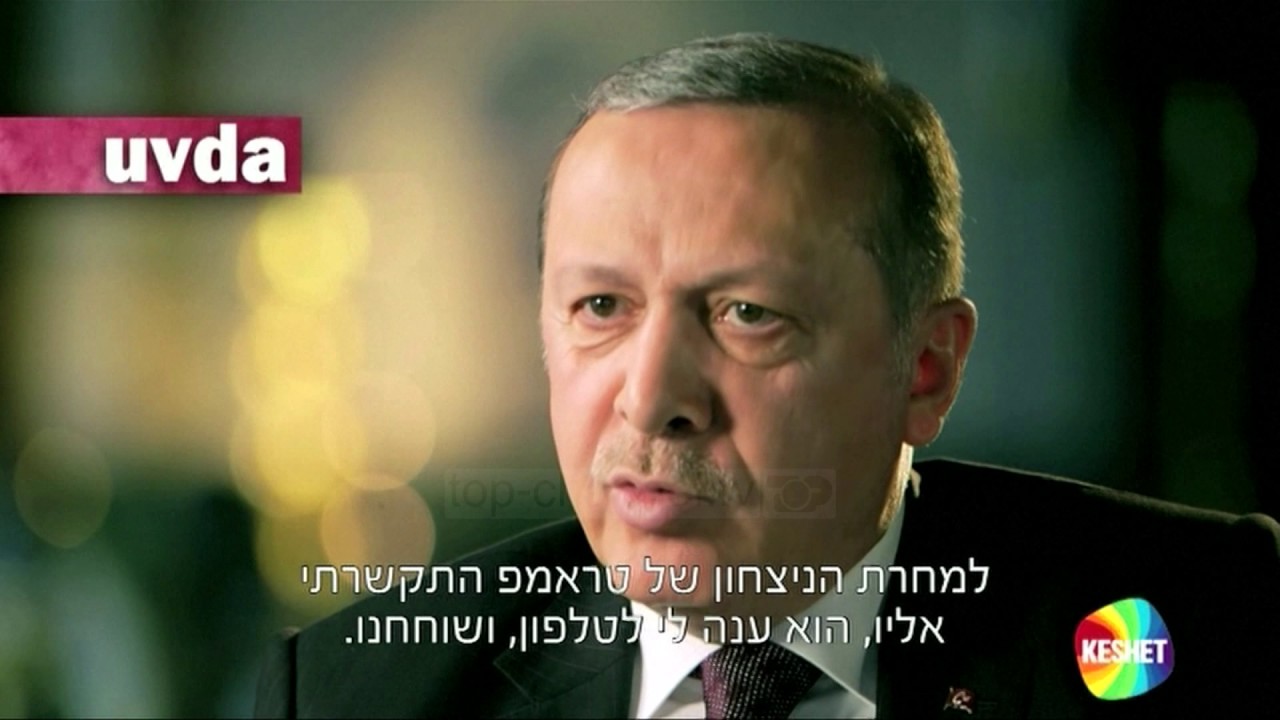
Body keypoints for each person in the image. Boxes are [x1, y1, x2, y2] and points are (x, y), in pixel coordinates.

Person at [254, 33, 1280, 718]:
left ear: (926, 368)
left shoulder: (1202, 624)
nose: (652, 399)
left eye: (746, 315)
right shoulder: (357, 688)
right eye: (600, 308)